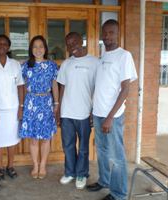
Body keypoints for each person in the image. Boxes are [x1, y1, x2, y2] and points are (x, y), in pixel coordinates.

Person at [86, 19, 137, 200]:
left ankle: (119, 194)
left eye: (111, 33)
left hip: (112, 117)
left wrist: (109, 117)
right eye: (105, 33)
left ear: (118, 34)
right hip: (99, 113)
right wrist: (94, 112)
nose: (107, 36)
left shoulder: (124, 56)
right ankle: (104, 180)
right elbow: (101, 87)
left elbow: (125, 89)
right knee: (102, 150)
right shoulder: (103, 56)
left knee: (116, 156)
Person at [57, 32, 98, 189]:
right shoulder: (67, 64)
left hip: (84, 113)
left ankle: (81, 174)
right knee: (67, 145)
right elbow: (62, 88)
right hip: (67, 112)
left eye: (74, 42)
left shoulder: (94, 62)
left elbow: (97, 88)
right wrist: (59, 110)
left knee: (83, 147)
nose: (71, 46)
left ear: (82, 41)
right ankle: (69, 172)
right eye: (68, 43)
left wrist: (93, 111)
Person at [19, 35, 59, 179]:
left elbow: (55, 85)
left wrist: (56, 103)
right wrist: (22, 105)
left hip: (46, 102)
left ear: (45, 49)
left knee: (46, 137)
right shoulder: (25, 66)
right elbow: (22, 87)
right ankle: (35, 165)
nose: (38, 49)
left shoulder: (52, 65)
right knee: (34, 138)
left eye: (41, 46)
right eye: (35, 46)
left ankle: (43, 166)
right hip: (31, 103)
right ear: (31, 49)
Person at [0, 34, 24, 180]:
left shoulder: (15, 64)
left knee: (11, 139)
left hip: (12, 108)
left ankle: (10, 166)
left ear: (8, 47)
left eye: (5, 44)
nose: (2, 46)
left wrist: (21, 107)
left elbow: (20, 86)